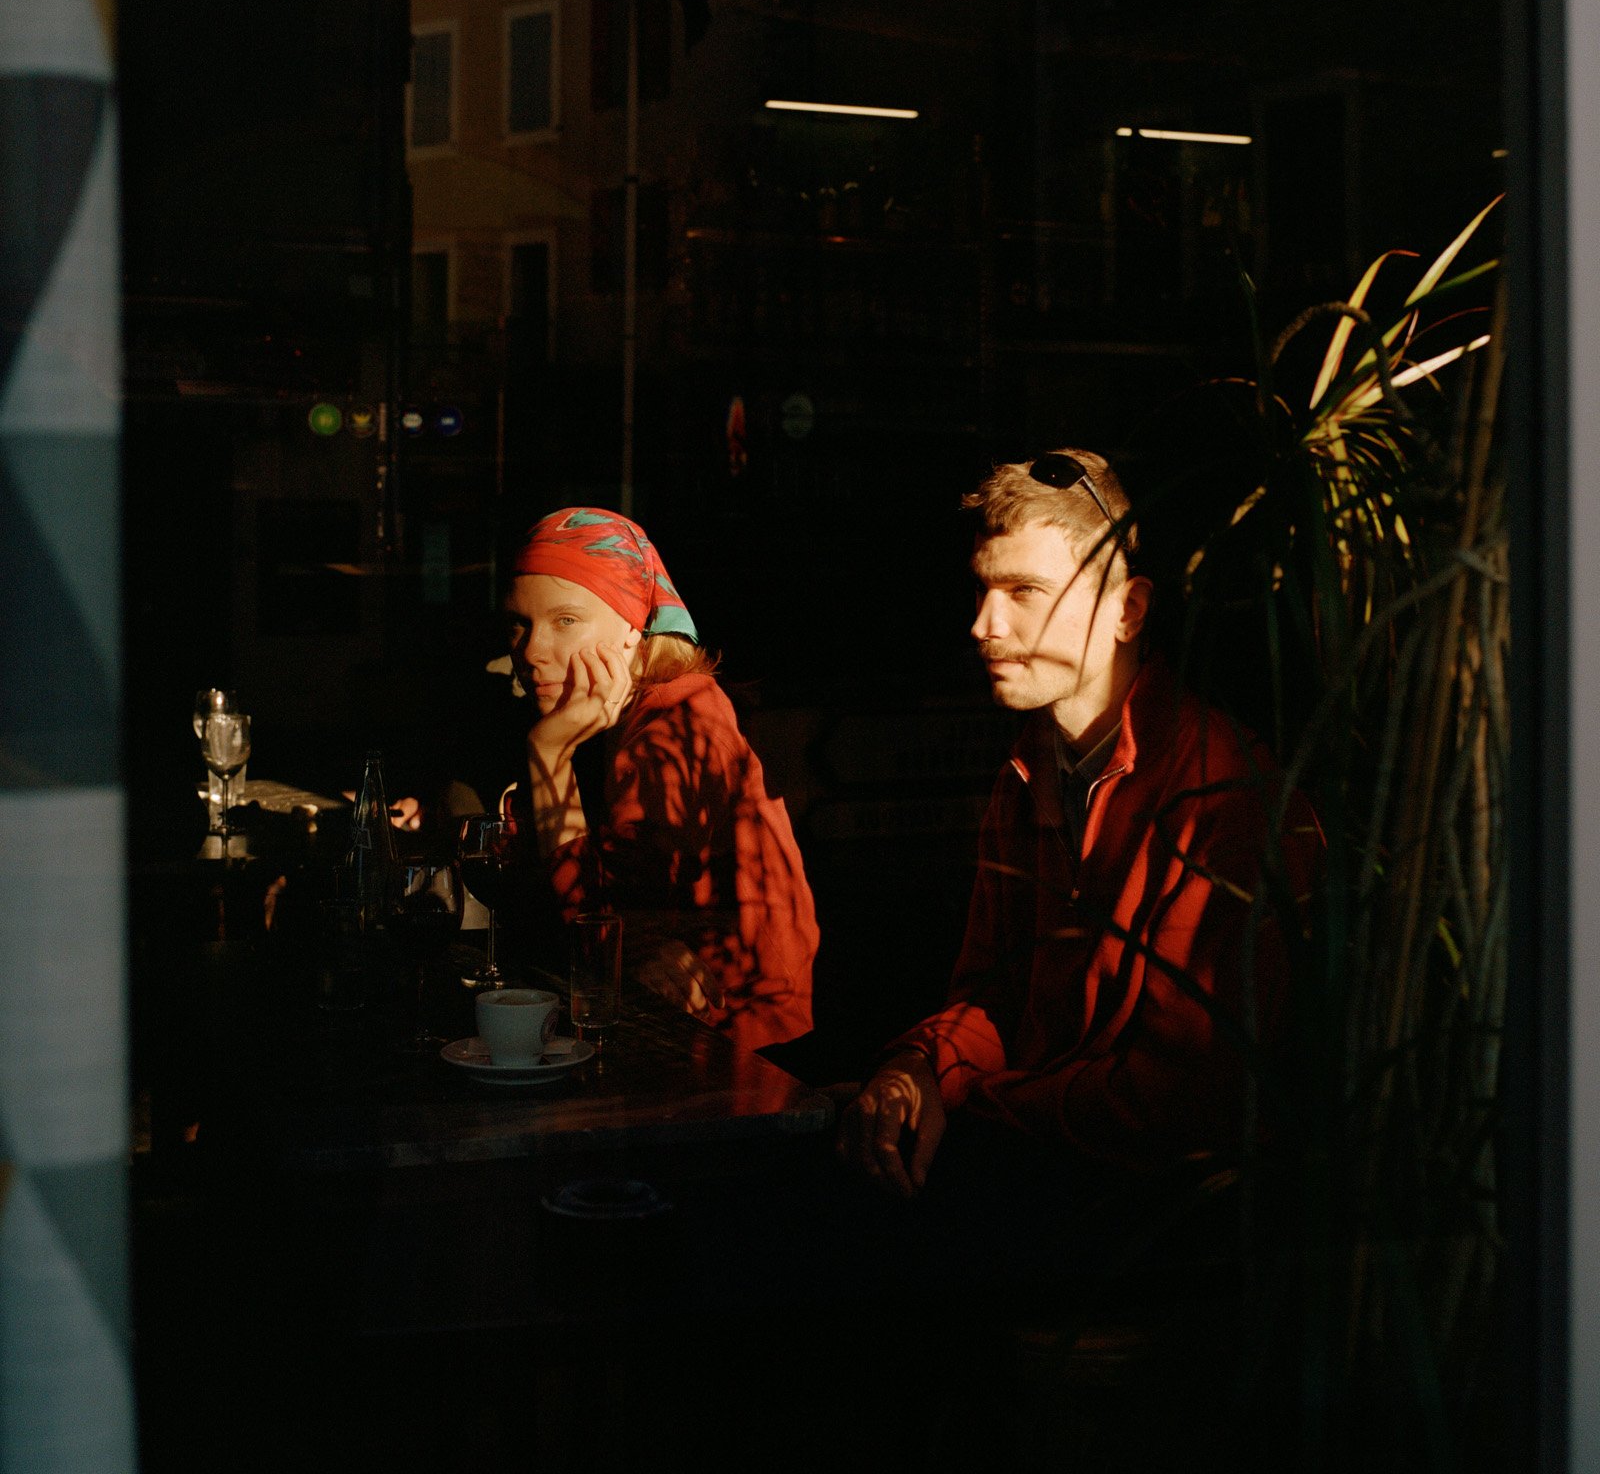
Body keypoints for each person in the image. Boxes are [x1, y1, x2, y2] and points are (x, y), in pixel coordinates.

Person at [839, 448, 1323, 1201]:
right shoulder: (1029, 773)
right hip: (1055, 1169)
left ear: (1128, 610)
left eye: (1023, 591)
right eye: (982, 588)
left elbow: (1182, 1100)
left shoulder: (1222, 794)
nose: (982, 624)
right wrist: (916, 1067)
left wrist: (970, 1101)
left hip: (1176, 1226)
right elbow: (996, 996)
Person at [486, 505, 819, 1051]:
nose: (531, 652)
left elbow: (591, 923)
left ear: (632, 630)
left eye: (565, 621)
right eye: (519, 624)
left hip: (738, 1051)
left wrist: (548, 754)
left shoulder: (675, 723)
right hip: (669, 1029)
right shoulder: (610, 714)